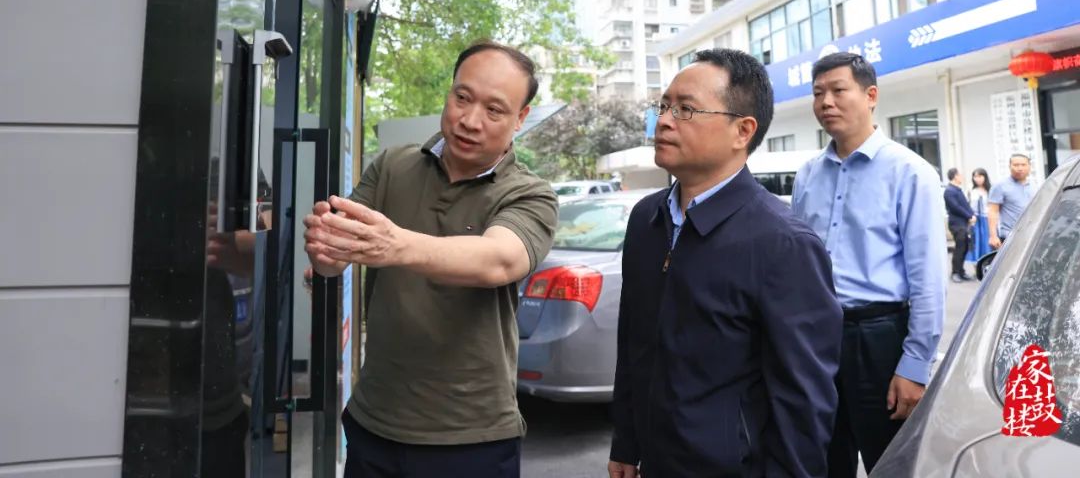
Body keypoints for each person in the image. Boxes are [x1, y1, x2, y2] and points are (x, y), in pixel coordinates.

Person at [302, 40, 558, 478]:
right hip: (374, 422)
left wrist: (395, 245)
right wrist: (325, 250)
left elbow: (499, 260)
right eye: (462, 97)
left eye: (494, 110)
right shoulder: (392, 166)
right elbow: (335, 256)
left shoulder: (530, 194)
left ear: (520, 118)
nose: (470, 120)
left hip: (471, 437)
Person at [609, 49, 842, 478]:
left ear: (742, 131)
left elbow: (804, 401)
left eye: (686, 109)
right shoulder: (646, 220)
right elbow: (633, 343)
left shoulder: (783, 244)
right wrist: (625, 440)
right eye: (663, 106)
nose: (664, 121)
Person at [792, 52, 946, 478]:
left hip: (880, 339)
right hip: (816, 340)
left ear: (871, 95)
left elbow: (928, 278)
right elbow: (798, 266)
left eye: (838, 90)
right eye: (818, 93)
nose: (826, 102)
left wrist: (915, 366)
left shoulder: (910, 172)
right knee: (821, 460)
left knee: (890, 462)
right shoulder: (808, 175)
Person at [988, 154, 1035, 250]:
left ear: (1029, 166)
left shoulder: (1034, 186)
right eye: (1016, 165)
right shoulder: (1000, 186)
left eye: (1023, 165)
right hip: (1009, 236)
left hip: (1031, 235)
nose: (1020, 168)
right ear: (1009, 166)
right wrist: (993, 236)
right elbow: (993, 211)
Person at [943, 168, 975, 282]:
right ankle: (955, 273)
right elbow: (955, 207)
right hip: (956, 224)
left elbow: (965, 205)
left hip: (963, 223)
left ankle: (961, 272)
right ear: (955, 176)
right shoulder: (949, 191)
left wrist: (971, 214)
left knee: (965, 247)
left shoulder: (957, 190)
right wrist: (969, 216)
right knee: (960, 248)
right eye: (960, 175)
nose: (962, 177)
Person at [966, 168, 992, 261]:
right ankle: (977, 265)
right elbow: (967, 205)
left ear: (985, 177)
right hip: (975, 220)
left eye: (980, 176)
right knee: (975, 243)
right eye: (975, 176)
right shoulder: (971, 190)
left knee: (987, 242)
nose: (977, 179)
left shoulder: (990, 190)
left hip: (987, 219)